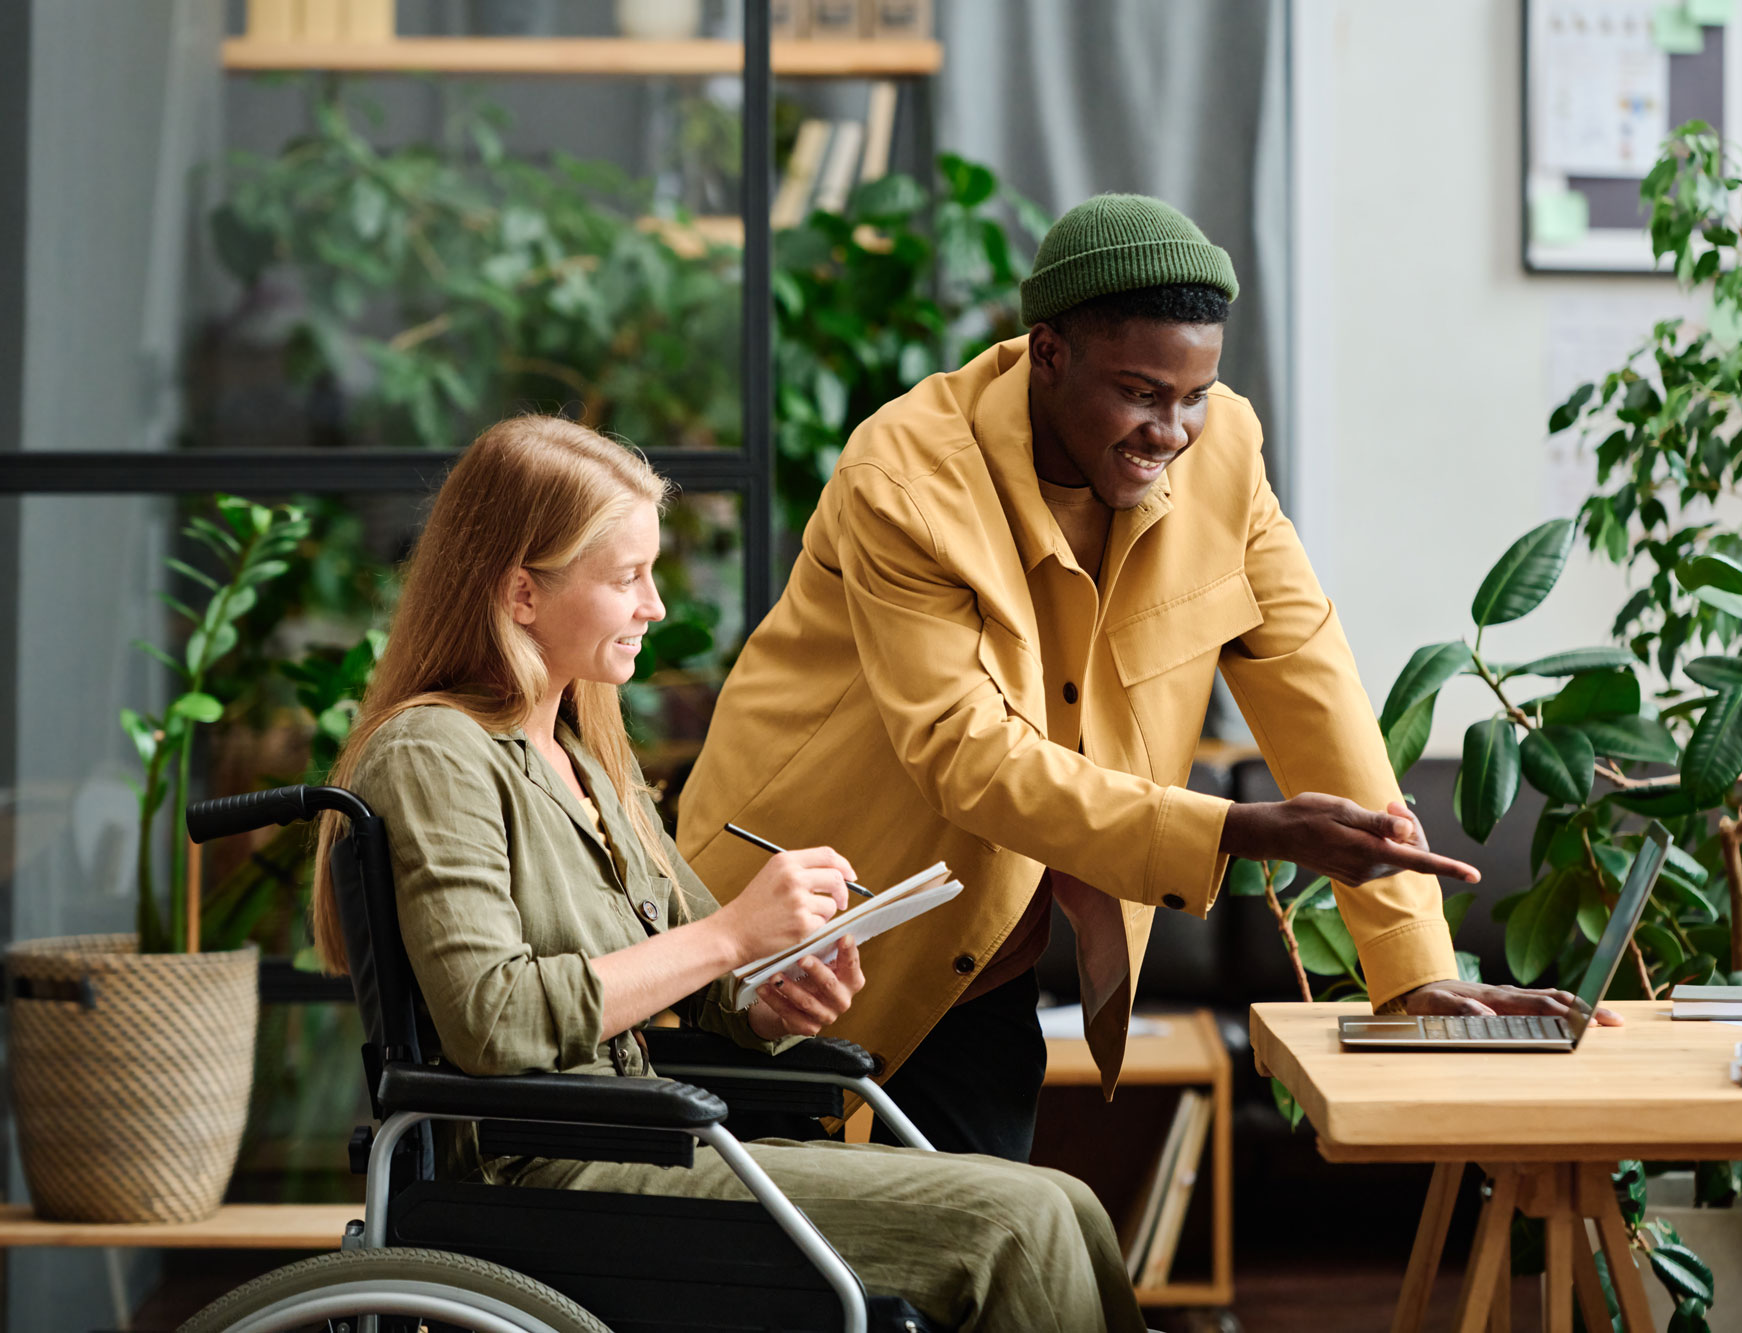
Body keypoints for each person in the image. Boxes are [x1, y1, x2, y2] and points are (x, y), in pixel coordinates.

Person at [678, 193, 1618, 1163]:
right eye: (1139, 392)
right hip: (782, 934)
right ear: (1048, 353)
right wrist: (1236, 828)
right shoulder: (908, 478)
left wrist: (1411, 970)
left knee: (986, 1262)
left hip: (976, 953)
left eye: (1192, 395)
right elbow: (963, 753)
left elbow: (1311, 687)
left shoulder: (1226, 455)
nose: (1169, 430)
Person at [309, 415, 1148, 1333]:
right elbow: (494, 1020)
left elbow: (715, 980)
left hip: (646, 1143)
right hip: (548, 1172)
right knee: (1021, 1227)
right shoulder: (434, 752)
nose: (656, 605)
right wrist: (730, 936)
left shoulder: (589, 761)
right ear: (521, 592)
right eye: (628, 577)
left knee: (1067, 1203)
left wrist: (767, 996)